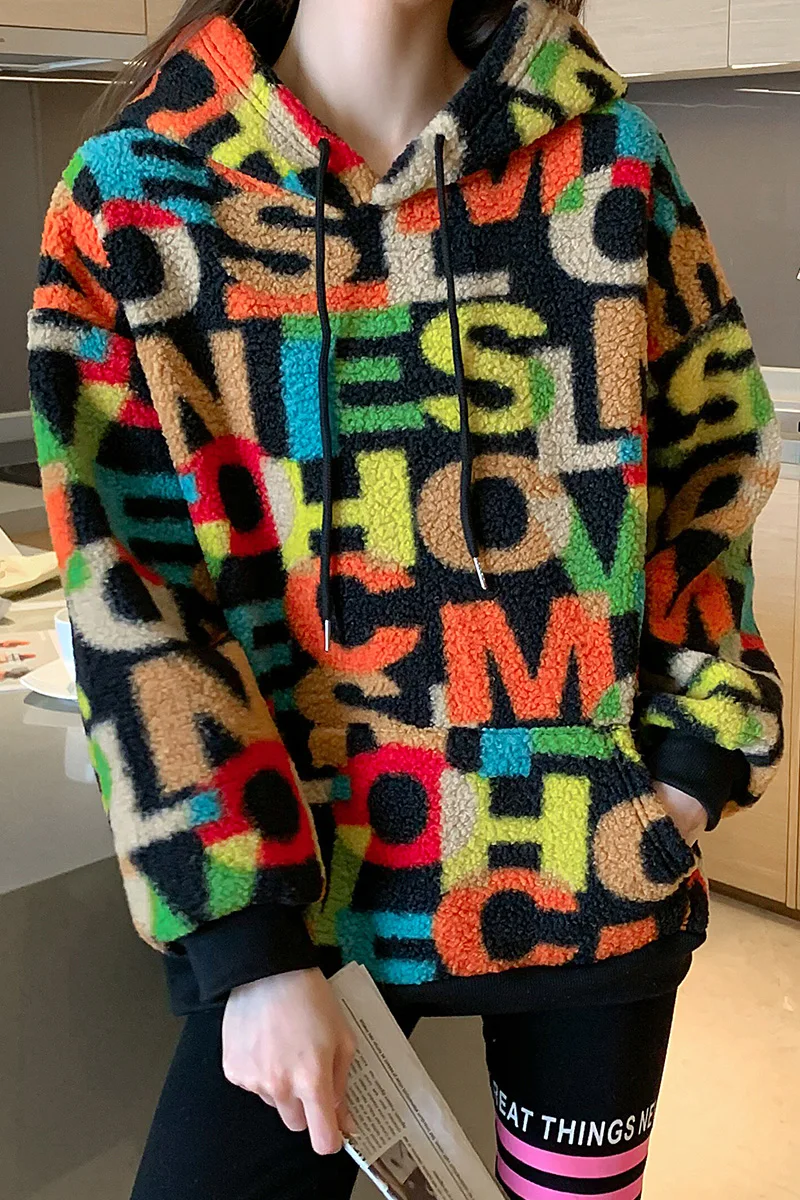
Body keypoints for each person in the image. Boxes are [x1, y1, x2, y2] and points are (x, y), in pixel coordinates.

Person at [28, 0, 784, 1196]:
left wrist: (687, 768)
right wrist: (246, 944)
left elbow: (712, 466)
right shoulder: (136, 194)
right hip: (310, 893)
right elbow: (134, 594)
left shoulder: (608, 161)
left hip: (587, 878)